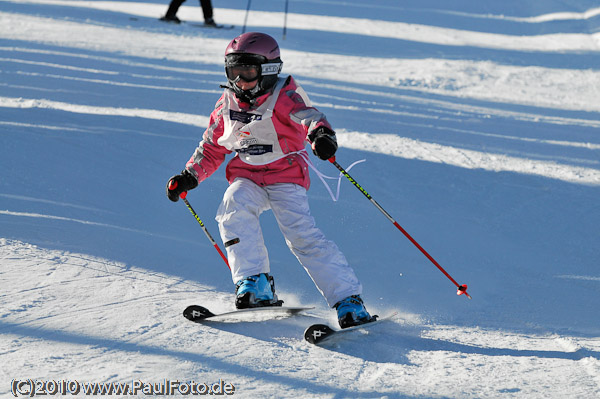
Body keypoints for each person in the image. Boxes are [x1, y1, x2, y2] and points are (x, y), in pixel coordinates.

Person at [166, 32, 375, 328]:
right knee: (232, 206)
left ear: (267, 71)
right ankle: (255, 284)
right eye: (233, 72)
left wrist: (321, 136)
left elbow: (311, 117)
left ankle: (348, 301)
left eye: (247, 72)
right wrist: (190, 176)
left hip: (285, 174)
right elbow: (212, 146)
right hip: (247, 175)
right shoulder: (227, 104)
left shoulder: (284, 96)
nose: (239, 81)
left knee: (301, 235)